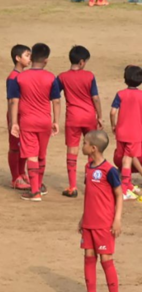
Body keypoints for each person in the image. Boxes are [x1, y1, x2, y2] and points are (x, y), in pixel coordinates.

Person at [77, 130, 124, 292]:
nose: (83, 145)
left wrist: (117, 219)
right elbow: (90, 196)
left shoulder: (110, 171)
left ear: (93, 148)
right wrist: (83, 217)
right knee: (88, 258)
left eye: (85, 143)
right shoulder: (88, 168)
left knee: (106, 259)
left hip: (104, 224)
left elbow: (119, 195)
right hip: (89, 222)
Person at [10, 42, 62, 202]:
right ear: (46, 60)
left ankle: (34, 191)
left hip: (27, 121)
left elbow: (14, 101)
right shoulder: (51, 77)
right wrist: (56, 121)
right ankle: (39, 185)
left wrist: (14, 123)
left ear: (31, 57)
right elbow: (57, 101)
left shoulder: (20, 77)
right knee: (42, 154)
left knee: (31, 155)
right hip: (45, 121)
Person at [56, 46, 102, 198]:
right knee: (92, 149)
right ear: (82, 62)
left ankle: (72, 187)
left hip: (73, 118)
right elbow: (95, 97)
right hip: (89, 116)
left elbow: (55, 95)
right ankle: (91, 182)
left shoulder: (62, 77)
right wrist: (99, 116)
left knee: (72, 151)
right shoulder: (89, 76)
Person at [111, 65, 142, 199]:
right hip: (135, 133)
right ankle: (124, 189)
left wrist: (114, 125)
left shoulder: (120, 94)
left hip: (121, 131)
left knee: (124, 157)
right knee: (127, 159)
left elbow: (113, 112)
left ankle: (128, 184)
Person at [6, 45, 33, 191]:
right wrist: (12, 121)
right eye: (27, 55)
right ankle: (15, 177)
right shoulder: (12, 78)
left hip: (24, 115)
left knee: (23, 146)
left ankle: (22, 173)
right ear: (17, 58)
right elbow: (11, 101)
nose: (30, 58)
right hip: (15, 115)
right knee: (14, 147)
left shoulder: (23, 76)